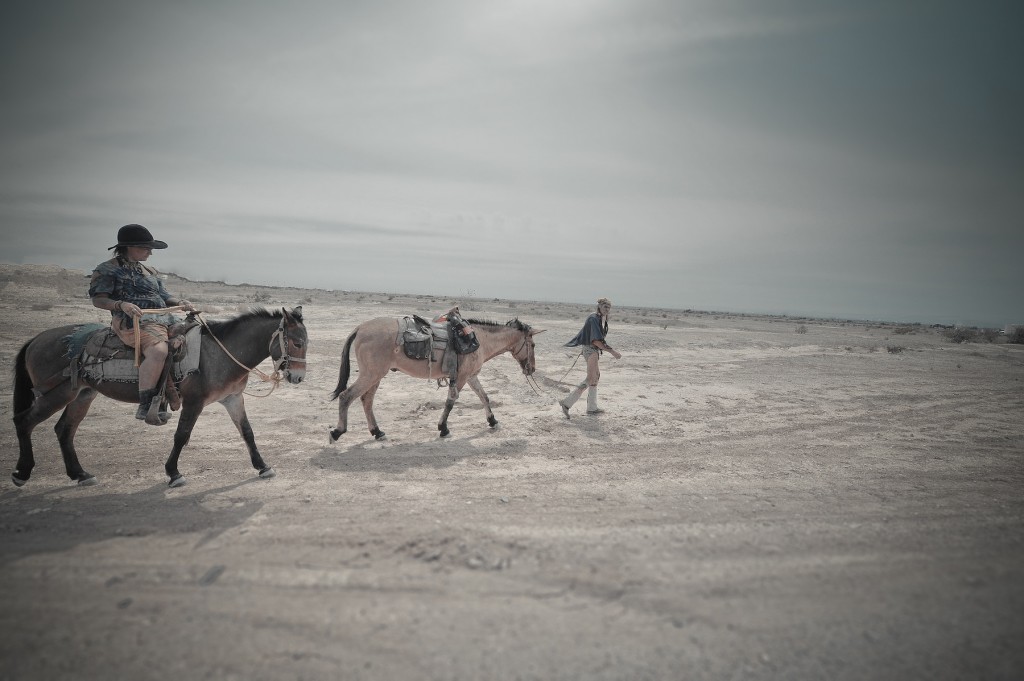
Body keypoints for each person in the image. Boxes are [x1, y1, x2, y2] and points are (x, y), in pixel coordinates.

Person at [89, 224, 196, 424]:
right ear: (129, 247)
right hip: (132, 322)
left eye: (150, 248)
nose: (150, 252)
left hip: (164, 318)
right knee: (159, 351)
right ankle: (146, 404)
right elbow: (98, 299)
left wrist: (180, 303)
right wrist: (121, 305)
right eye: (145, 248)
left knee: (194, 336)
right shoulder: (107, 269)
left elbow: (164, 296)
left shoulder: (150, 270)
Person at [559, 297, 622, 418]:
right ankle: (566, 403)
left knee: (596, 377)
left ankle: (592, 407)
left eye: (609, 307)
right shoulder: (594, 318)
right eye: (605, 306)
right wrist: (613, 352)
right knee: (590, 378)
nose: (607, 309)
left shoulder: (599, 318)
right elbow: (596, 341)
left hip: (592, 349)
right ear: (599, 306)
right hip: (590, 349)